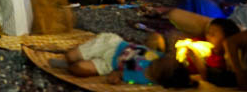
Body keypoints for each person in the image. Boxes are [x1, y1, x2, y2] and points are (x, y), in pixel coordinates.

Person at [53, 32, 191, 87]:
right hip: (113, 45)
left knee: (78, 69)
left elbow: (118, 74)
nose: (170, 58)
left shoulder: (144, 78)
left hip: (108, 64)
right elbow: (156, 38)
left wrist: (115, 78)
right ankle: (72, 57)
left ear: (165, 73)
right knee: (70, 56)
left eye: (172, 62)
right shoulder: (159, 55)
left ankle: (67, 65)